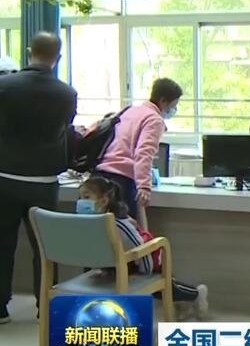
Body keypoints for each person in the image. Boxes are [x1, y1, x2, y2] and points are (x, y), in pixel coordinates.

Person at [0, 32, 77, 323]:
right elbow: (64, 129)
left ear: (28, 51)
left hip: (4, 177)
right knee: (45, 248)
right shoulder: (67, 94)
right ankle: (44, 306)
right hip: (44, 182)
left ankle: (0, 308)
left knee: (2, 245)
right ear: (58, 57)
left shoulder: (4, 86)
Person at [76, 176, 208, 319]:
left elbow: (140, 246)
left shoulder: (119, 223)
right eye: (80, 198)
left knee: (162, 288)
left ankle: (196, 294)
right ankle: (186, 301)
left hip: (144, 260)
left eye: (86, 197)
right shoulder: (88, 223)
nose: (81, 202)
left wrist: (145, 273)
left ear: (104, 201)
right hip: (119, 265)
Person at [94, 78, 183, 223]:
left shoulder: (129, 111)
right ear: (163, 100)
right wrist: (144, 186)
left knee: (99, 229)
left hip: (99, 176)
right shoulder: (154, 120)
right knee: (124, 231)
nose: (174, 109)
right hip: (122, 181)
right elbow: (143, 153)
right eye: (174, 105)